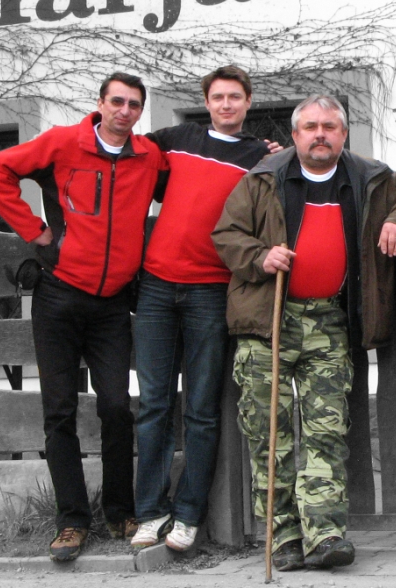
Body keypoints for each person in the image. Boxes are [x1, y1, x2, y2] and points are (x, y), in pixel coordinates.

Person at [212, 94, 396, 572]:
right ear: (295, 134)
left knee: (327, 432)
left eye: (329, 127)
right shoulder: (262, 178)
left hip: (329, 322)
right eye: (310, 127)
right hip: (268, 322)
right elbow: (226, 235)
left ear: (343, 134)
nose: (320, 134)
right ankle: (283, 537)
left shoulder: (370, 176)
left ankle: (325, 534)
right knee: (270, 435)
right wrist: (260, 256)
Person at [0, 72, 166, 562]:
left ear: (140, 112)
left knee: (117, 407)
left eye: (134, 104)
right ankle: (72, 521)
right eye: (117, 101)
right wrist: (35, 231)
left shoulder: (149, 157)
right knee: (59, 411)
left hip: (112, 304)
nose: (125, 110)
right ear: (100, 103)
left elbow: (194, 174)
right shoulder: (63, 144)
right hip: (58, 297)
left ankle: (120, 511)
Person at [131, 65, 272, 552]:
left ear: (248, 102)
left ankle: (189, 514)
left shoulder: (259, 156)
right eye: (218, 97)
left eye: (235, 97)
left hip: (211, 290)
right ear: (206, 102)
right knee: (153, 404)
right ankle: (150, 511)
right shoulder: (177, 139)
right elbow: (126, 157)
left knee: (202, 409)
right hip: (155, 286)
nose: (226, 104)